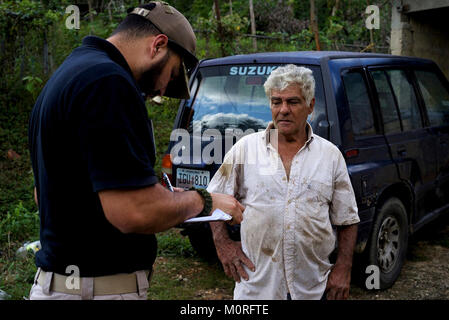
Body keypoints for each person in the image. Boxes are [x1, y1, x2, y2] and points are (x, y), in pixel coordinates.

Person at [28, 2, 244, 300]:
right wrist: (205, 201)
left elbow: (46, 193)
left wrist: (163, 200)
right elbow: (134, 212)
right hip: (98, 291)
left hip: (59, 285)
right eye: (170, 76)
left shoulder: (69, 74)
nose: (161, 91)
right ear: (158, 45)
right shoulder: (109, 83)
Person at [207, 64, 360, 300]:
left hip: (313, 288)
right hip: (256, 289)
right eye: (276, 102)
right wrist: (223, 246)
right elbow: (214, 199)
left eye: (293, 102)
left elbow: (347, 219)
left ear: (310, 105)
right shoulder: (244, 150)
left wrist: (343, 269)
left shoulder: (330, 156)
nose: (284, 110)